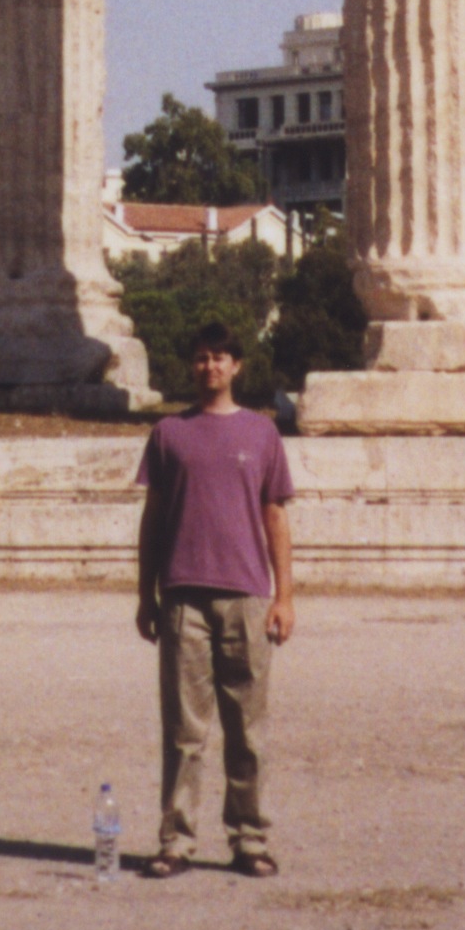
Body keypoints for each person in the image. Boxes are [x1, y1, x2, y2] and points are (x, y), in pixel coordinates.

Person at [131, 323, 296, 877]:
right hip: (183, 597)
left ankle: (250, 839)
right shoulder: (168, 434)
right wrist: (145, 595)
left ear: (237, 366)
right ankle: (176, 840)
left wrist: (284, 597)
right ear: (192, 366)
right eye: (201, 358)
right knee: (184, 730)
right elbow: (152, 519)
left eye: (220, 358)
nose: (210, 367)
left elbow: (275, 517)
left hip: (247, 598)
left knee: (248, 731)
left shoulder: (262, 433)